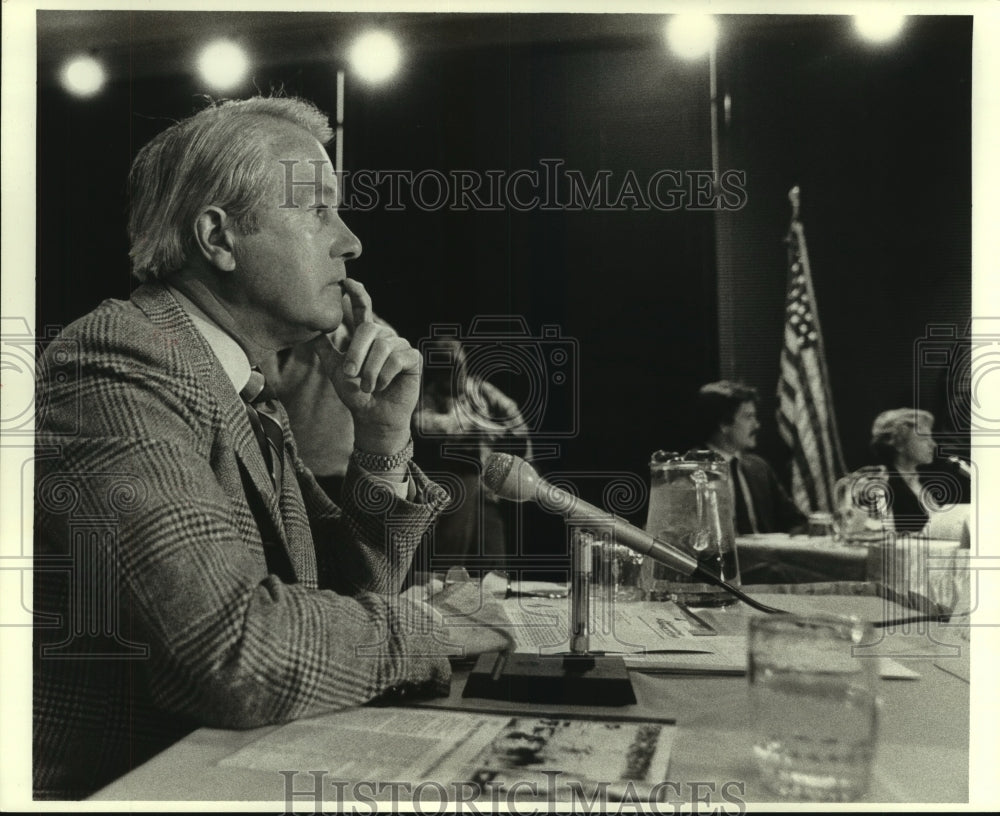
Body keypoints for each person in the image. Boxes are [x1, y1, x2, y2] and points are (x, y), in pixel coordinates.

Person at [32, 95, 508, 799]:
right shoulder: (113, 363)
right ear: (218, 238)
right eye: (317, 210)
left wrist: (381, 437)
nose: (350, 244)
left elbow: (342, 597)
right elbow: (235, 653)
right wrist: (434, 629)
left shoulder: (241, 388)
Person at [412, 337, 533, 568]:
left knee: (492, 554)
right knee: (450, 551)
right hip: (452, 485)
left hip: (486, 488)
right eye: (450, 368)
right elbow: (421, 423)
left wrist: (527, 457)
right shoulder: (429, 396)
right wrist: (477, 426)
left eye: (460, 366)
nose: (458, 374)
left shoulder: (480, 390)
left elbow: (515, 419)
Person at [697, 381, 808, 535]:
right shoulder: (691, 471)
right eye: (748, 417)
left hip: (765, 558)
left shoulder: (759, 468)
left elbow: (796, 522)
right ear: (724, 423)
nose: (757, 425)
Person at [869, 407, 971, 536]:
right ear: (899, 444)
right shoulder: (881, 486)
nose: (933, 444)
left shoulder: (929, 482)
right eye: (924, 438)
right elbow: (882, 537)